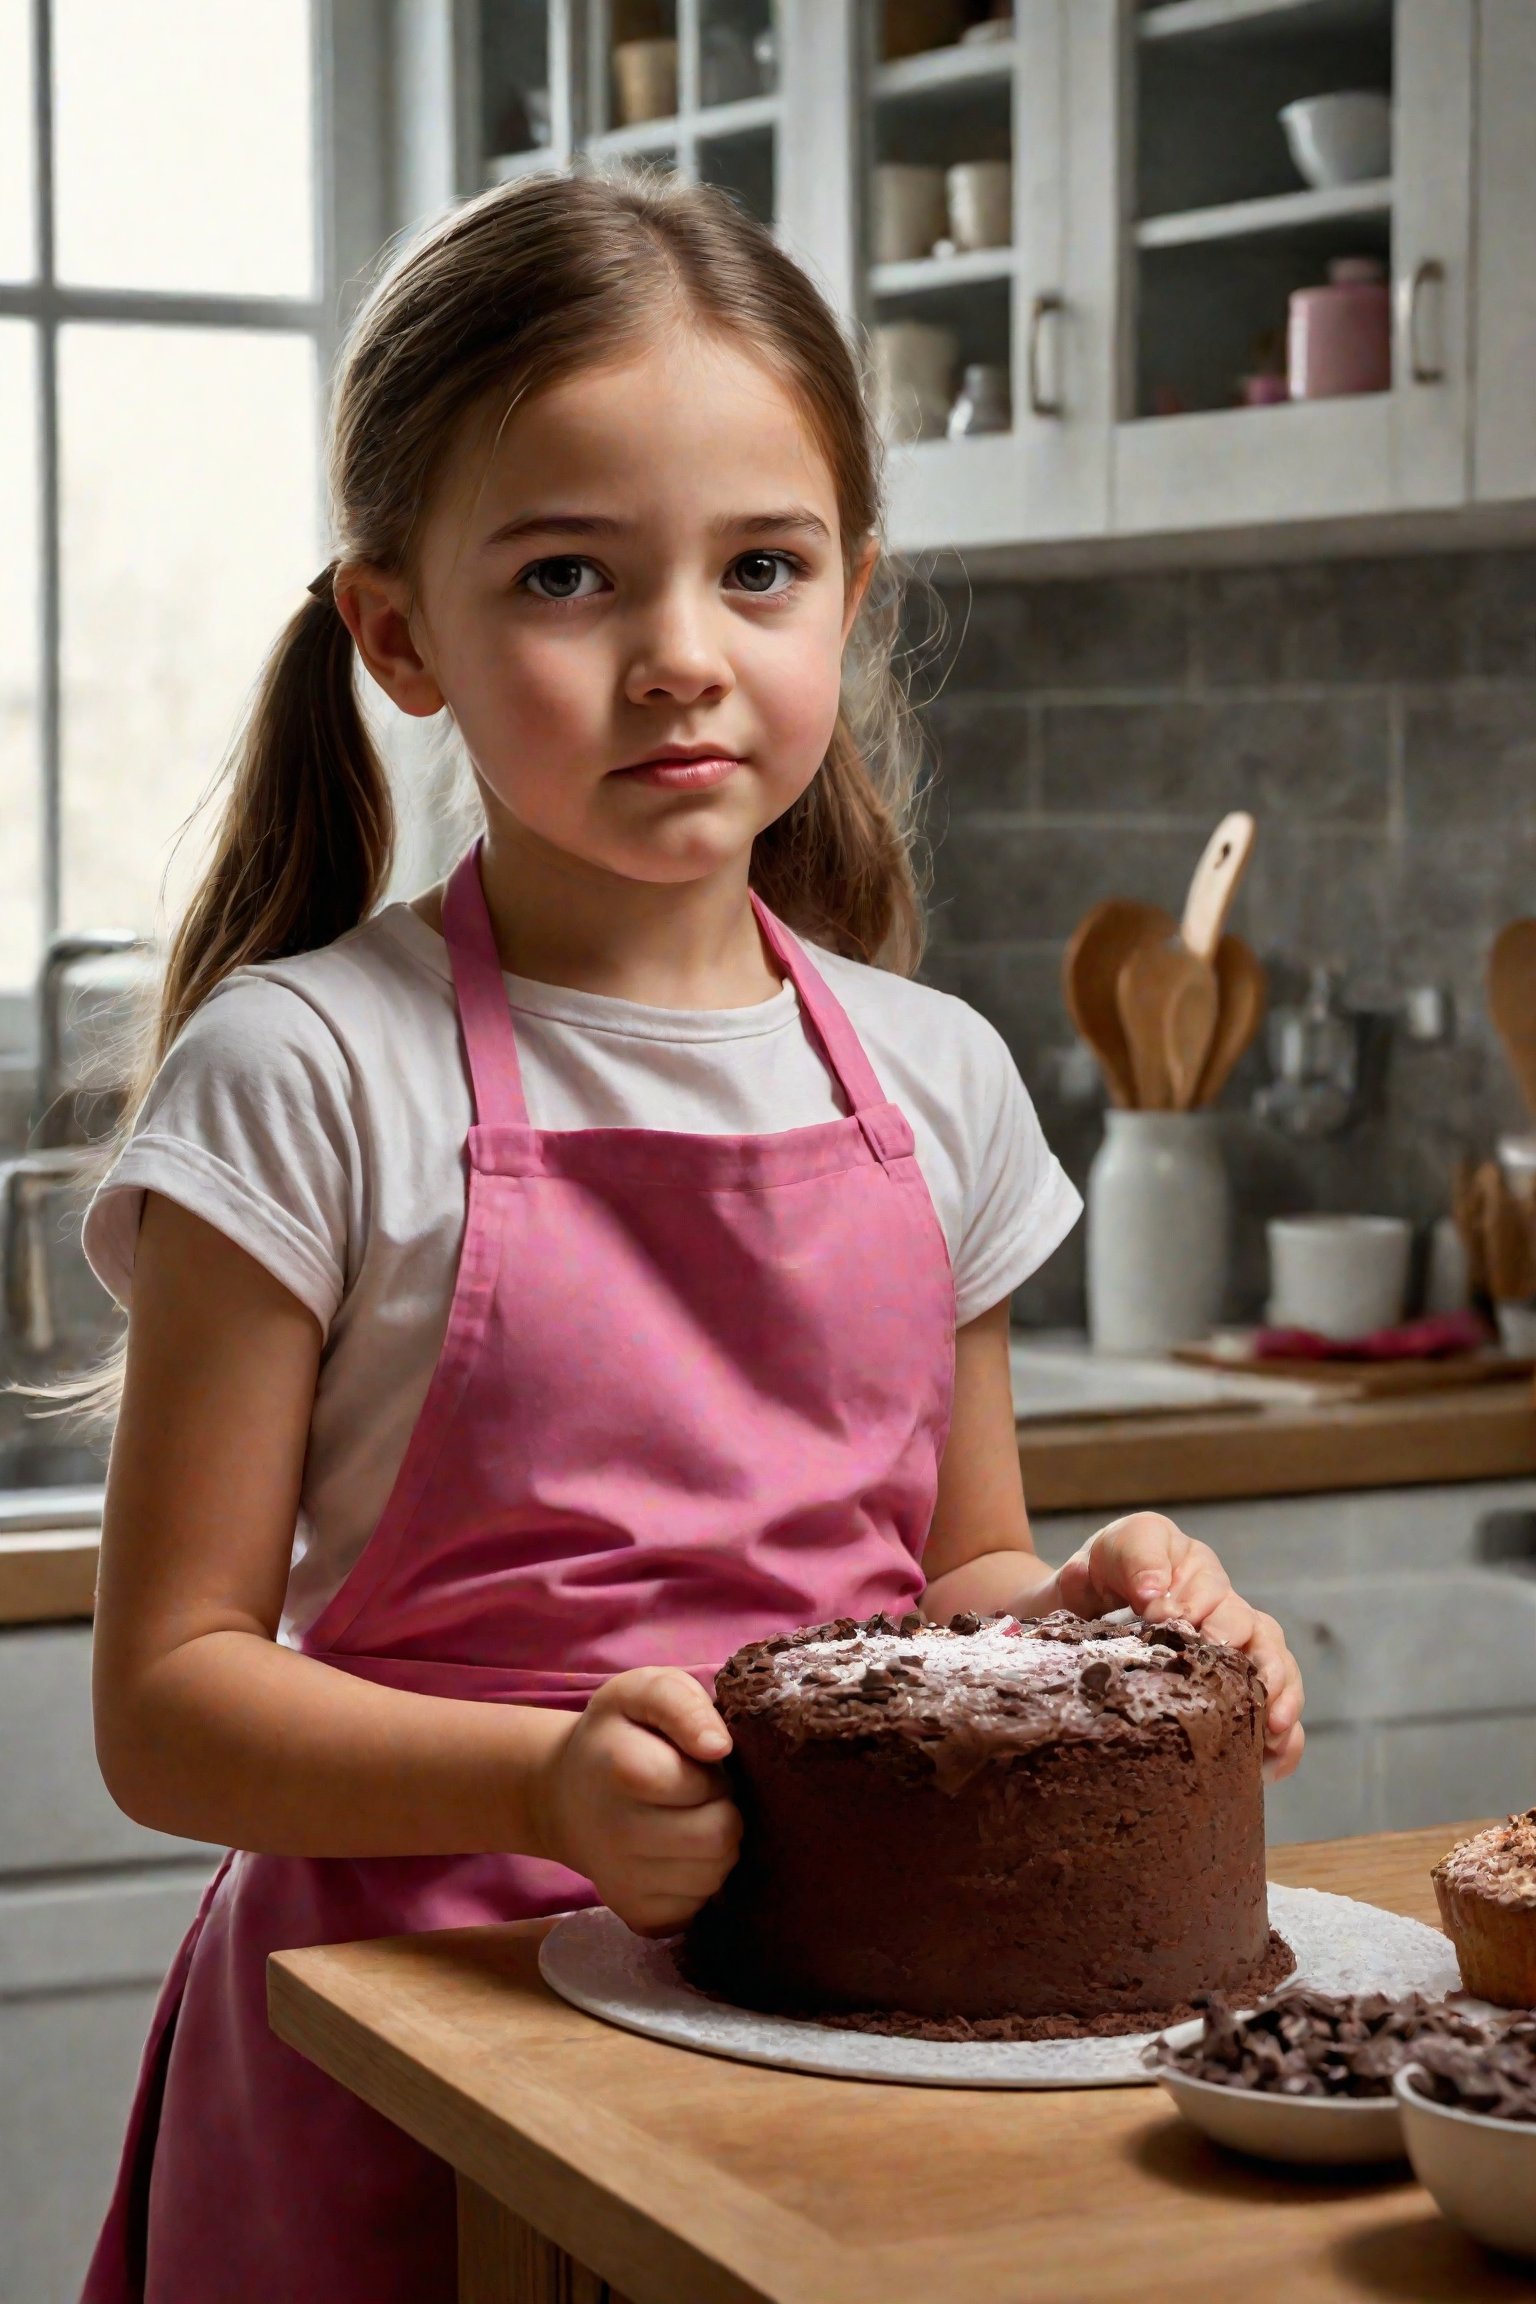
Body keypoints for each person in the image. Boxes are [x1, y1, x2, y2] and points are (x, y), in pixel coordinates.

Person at [77, 169, 1303, 2303]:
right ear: (400, 634)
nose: (681, 661)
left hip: (810, 2064)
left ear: (851, 590)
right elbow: (168, 1706)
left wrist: (1103, 1619)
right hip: (402, 2054)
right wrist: (548, 1784)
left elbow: (949, 1580)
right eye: (568, 575)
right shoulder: (311, 1073)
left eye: (761, 569)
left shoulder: (934, 1081)